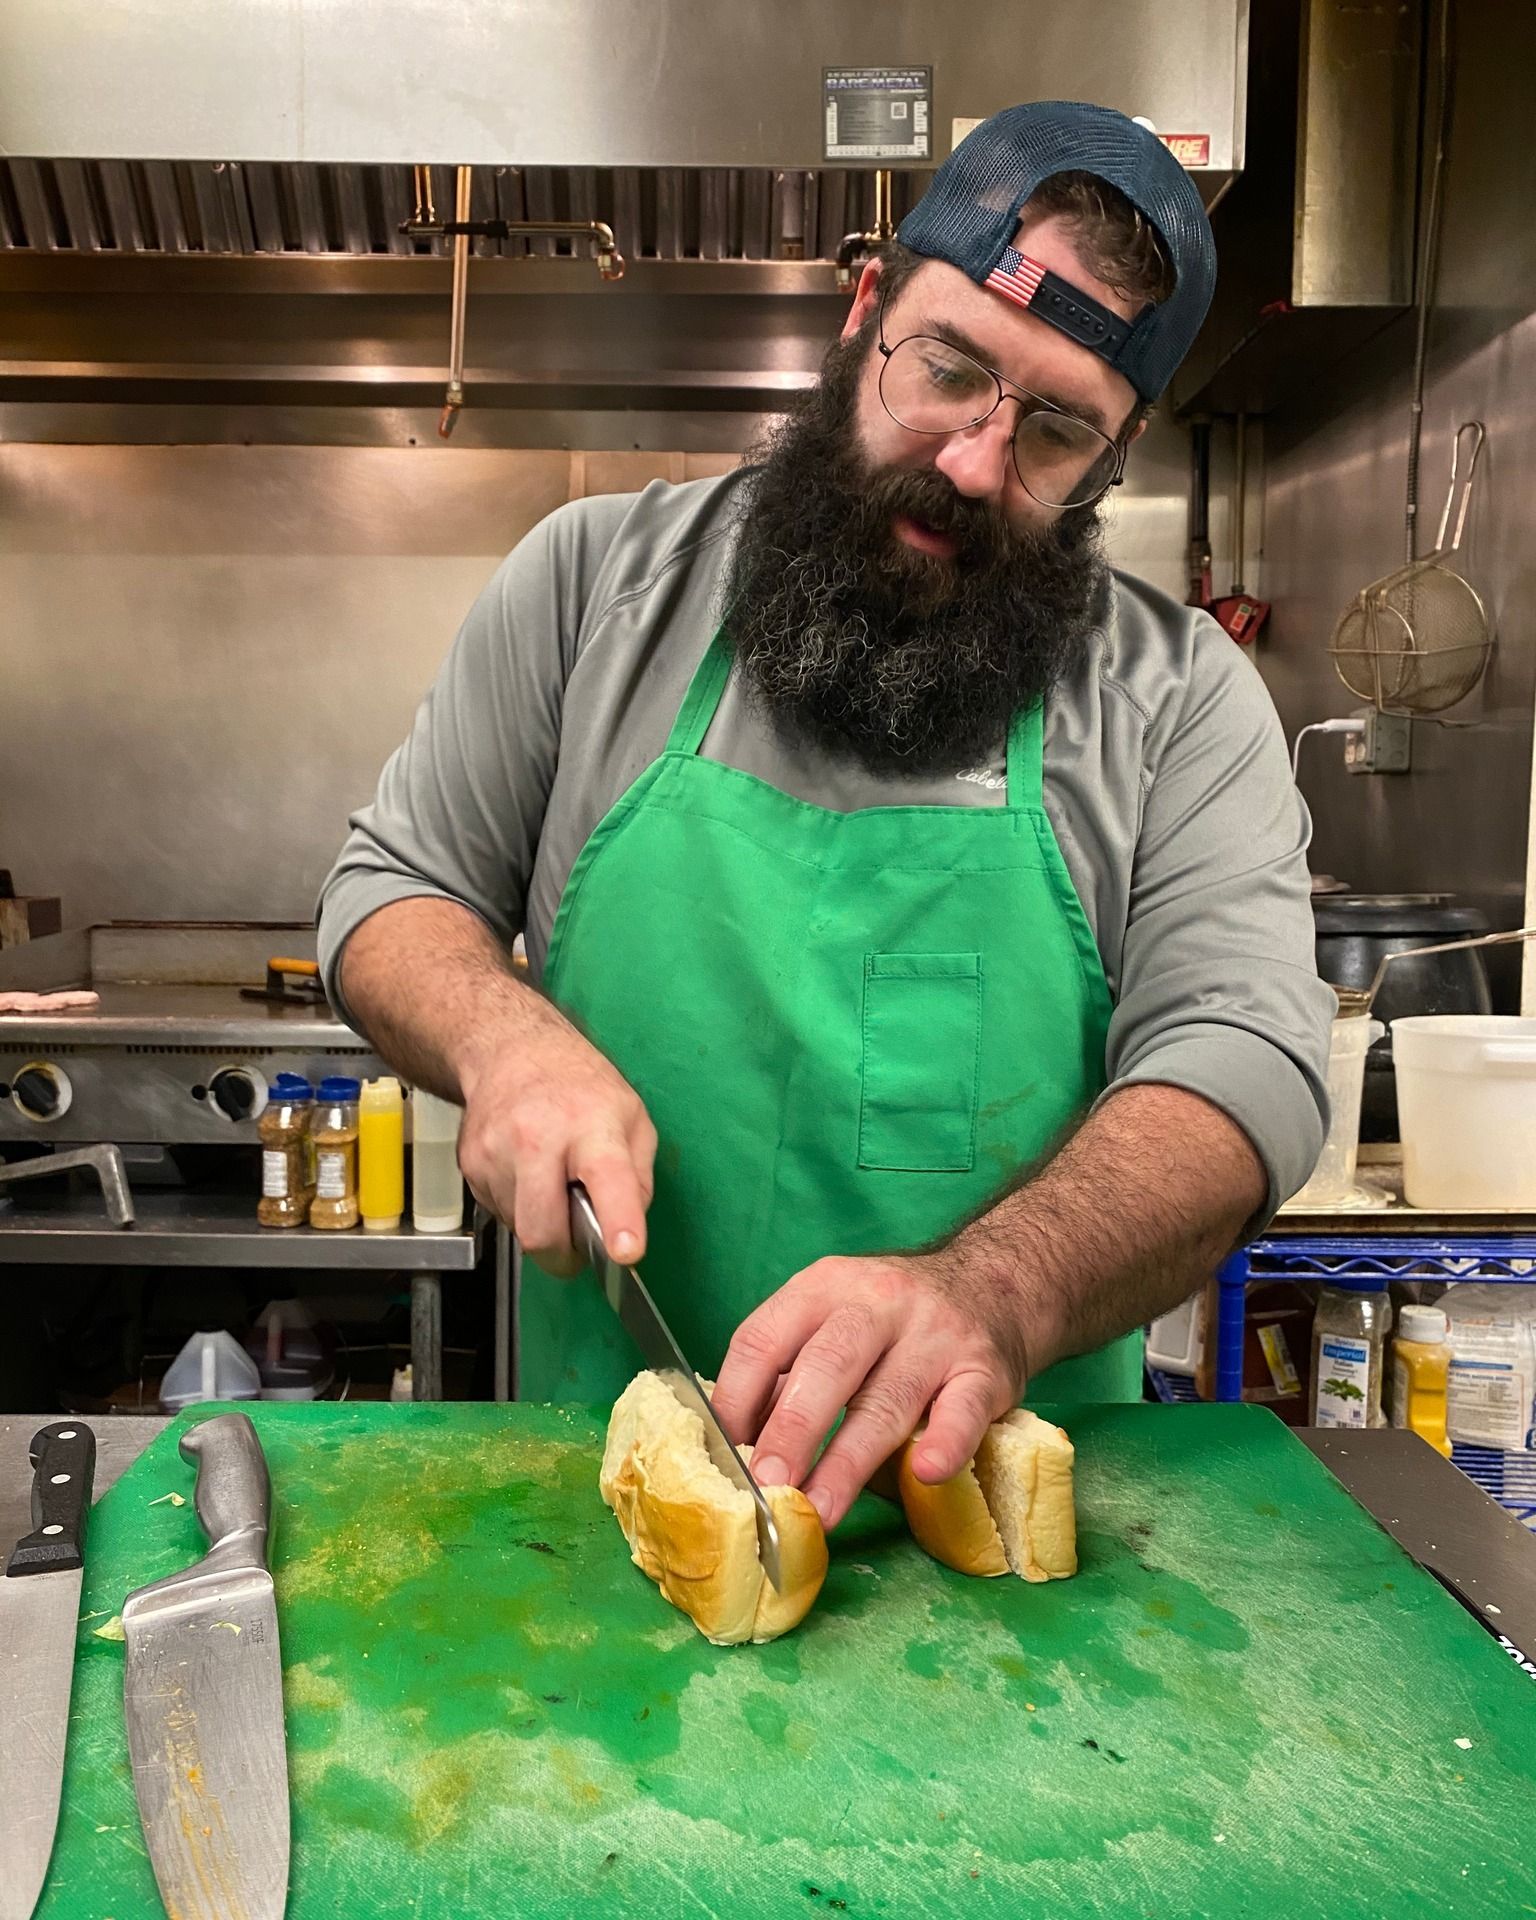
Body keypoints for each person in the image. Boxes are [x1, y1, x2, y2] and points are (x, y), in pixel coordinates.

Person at [318, 101, 1334, 1529]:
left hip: (992, 1546)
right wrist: (502, 1036)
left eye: (1053, 432)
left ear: (1117, 458)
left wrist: (992, 1289)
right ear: (865, 313)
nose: (976, 463)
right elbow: (392, 889)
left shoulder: (1182, 702)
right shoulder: (592, 589)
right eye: (948, 370)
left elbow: (1248, 1068)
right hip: (600, 1512)